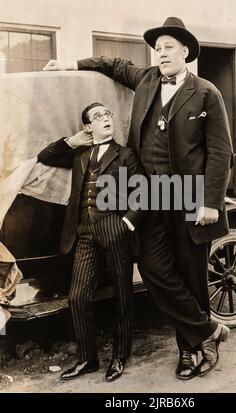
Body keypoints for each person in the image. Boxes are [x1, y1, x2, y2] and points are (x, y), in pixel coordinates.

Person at [43, 16, 234, 380]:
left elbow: (221, 152)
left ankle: (191, 352)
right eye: (157, 48)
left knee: (191, 275)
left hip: (190, 197)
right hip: (150, 195)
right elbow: (113, 65)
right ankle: (208, 330)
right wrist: (72, 62)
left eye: (168, 48)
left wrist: (211, 201)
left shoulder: (206, 92)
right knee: (152, 267)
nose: (161, 53)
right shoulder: (146, 79)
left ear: (185, 52)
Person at [38, 102, 144, 382]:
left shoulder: (126, 155)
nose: (106, 118)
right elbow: (45, 155)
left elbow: (143, 191)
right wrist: (71, 142)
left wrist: (127, 223)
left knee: (123, 296)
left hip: (115, 229)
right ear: (88, 127)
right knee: (78, 297)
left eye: (108, 114)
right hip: (83, 233)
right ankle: (88, 358)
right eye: (98, 116)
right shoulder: (79, 155)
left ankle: (120, 357)